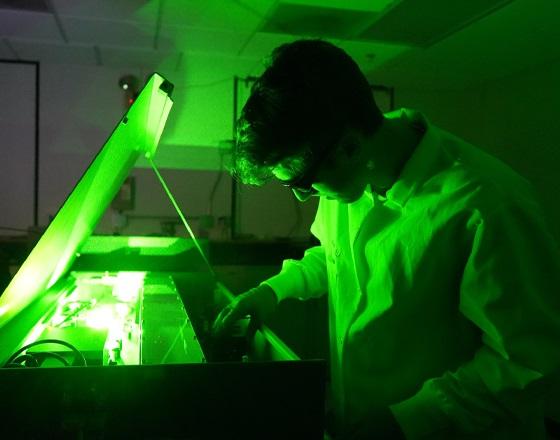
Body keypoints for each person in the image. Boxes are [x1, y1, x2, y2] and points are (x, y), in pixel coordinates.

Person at [213, 39, 560, 439]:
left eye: (303, 185)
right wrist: (271, 292)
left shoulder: (486, 203)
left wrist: (407, 420)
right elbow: (332, 257)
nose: (300, 195)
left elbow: (527, 360)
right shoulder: (352, 176)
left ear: (349, 146)